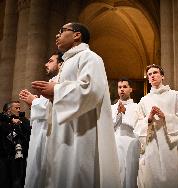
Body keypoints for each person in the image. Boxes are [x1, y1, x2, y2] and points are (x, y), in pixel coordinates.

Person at [30, 22, 121, 188]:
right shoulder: (66, 64)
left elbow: (92, 89)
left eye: (62, 31)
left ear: (77, 35)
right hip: (63, 132)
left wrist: (56, 90)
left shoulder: (90, 57)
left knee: (78, 175)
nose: (57, 35)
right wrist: (49, 96)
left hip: (81, 132)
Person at [134, 64, 178, 188]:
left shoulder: (175, 95)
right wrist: (148, 119)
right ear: (148, 79)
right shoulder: (144, 100)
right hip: (153, 144)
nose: (152, 76)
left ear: (162, 76)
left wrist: (166, 117)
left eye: (155, 73)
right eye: (149, 74)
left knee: (172, 177)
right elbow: (137, 125)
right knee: (152, 178)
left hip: (171, 144)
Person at [19, 51, 63, 188]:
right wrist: (33, 102)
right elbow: (47, 107)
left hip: (50, 132)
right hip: (41, 130)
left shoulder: (61, 82)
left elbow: (57, 107)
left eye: (50, 61)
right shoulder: (52, 81)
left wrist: (34, 101)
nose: (46, 64)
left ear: (60, 64)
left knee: (45, 173)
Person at [111, 78, 140, 188]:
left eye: (125, 87)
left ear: (130, 89)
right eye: (120, 87)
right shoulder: (112, 107)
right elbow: (109, 126)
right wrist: (118, 113)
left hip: (131, 143)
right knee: (117, 172)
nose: (122, 89)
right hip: (116, 143)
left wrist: (124, 113)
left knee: (131, 173)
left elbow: (137, 125)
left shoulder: (137, 107)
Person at [0, 101, 31, 188]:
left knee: (18, 180)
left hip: (19, 156)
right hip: (4, 156)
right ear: (9, 110)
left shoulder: (22, 120)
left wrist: (20, 123)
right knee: (4, 180)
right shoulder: (3, 120)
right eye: (16, 108)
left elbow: (29, 131)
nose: (19, 110)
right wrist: (11, 120)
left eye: (19, 108)